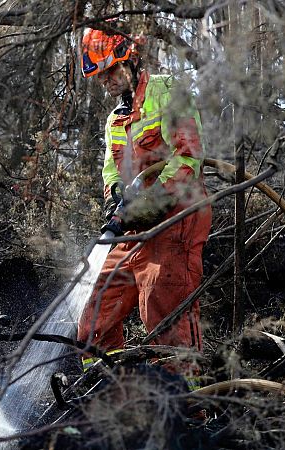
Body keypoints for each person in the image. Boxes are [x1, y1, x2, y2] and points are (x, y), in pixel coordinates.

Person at [76, 26, 212, 388]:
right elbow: (111, 169)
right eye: (100, 75)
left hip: (175, 218)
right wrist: (114, 199)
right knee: (94, 319)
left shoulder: (169, 92)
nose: (106, 80)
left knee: (163, 314)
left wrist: (151, 200)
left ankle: (185, 412)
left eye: (112, 70)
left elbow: (189, 156)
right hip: (134, 226)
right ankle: (109, 398)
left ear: (131, 60)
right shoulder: (114, 121)